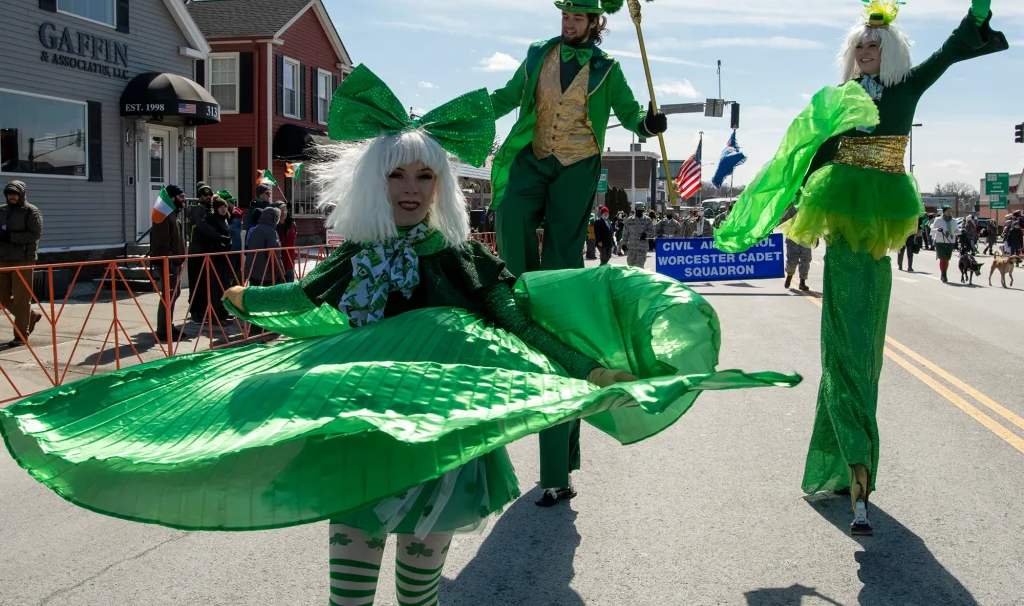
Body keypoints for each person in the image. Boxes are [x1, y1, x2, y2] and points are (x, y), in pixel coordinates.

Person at [0, 65, 800, 606]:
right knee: (349, 580)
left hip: (438, 445)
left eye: (426, 177)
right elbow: (303, 294)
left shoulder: (459, 257)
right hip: (355, 434)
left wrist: (585, 368)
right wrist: (244, 293)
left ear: (443, 187)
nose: (412, 189)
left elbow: (516, 316)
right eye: (397, 175)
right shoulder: (355, 255)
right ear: (373, 181)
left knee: (418, 584)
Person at [715, 0, 1007, 535]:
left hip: (882, 225)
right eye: (859, 47)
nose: (865, 53)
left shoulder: (904, 91)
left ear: (889, 52)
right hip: (844, 224)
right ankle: (856, 467)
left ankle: (848, 460)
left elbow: (947, 56)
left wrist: (974, 21)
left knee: (862, 349)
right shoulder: (839, 104)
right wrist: (779, 204)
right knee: (846, 344)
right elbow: (804, 156)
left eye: (874, 45)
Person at [488, 0, 667, 505]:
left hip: (576, 164)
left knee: (562, 261)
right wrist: (463, 117)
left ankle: (551, 287)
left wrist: (648, 122)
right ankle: (513, 284)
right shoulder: (538, 54)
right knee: (512, 209)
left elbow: (633, 113)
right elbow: (503, 98)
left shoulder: (609, 71)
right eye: (565, 15)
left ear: (595, 22)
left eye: (577, 17)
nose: (568, 23)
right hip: (533, 155)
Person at [0, 180, 43, 347]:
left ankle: (21, 335)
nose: (12, 196)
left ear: (21, 194)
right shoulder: (2, 211)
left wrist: (10, 237)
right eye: (9, 193)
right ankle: (30, 316)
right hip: (3, 258)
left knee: (21, 298)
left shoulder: (31, 211)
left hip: (23, 259)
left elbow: (34, 234)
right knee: (3, 297)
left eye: (15, 193)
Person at [150, 184, 190, 341]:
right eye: (181, 197)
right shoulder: (163, 215)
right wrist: (169, 262)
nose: (184, 200)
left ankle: (168, 325)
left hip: (175, 261)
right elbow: (162, 242)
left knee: (173, 294)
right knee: (169, 295)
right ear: (172, 197)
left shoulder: (172, 213)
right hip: (168, 262)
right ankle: (163, 330)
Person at [190, 195, 234, 324]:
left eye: (225, 207)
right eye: (221, 207)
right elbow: (209, 236)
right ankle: (214, 315)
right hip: (214, 257)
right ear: (216, 208)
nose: (223, 209)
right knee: (214, 287)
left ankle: (223, 312)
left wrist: (228, 242)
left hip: (224, 257)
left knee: (224, 285)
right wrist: (219, 242)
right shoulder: (212, 219)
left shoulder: (225, 220)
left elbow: (228, 234)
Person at [187, 185, 215, 323]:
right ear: (200, 197)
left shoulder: (209, 209)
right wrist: (218, 235)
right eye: (205, 195)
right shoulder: (198, 210)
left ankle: (204, 309)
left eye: (210, 194)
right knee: (197, 283)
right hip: (196, 252)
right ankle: (195, 311)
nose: (208, 197)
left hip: (206, 251)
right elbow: (203, 227)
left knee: (205, 283)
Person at [245, 206, 283, 286]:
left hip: (252, 273)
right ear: (275, 218)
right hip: (266, 274)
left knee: (256, 296)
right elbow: (274, 254)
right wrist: (281, 272)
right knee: (267, 297)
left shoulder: (255, 229)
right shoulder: (271, 232)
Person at [932, 205, 960, 283]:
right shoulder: (938, 220)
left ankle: (943, 272)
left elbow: (956, 230)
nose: (949, 212)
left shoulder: (953, 221)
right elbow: (933, 229)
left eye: (950, 211)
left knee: (947, 259)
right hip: (940, 241)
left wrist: (961, 231)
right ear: (944, 211)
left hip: (950, 241)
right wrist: (938, 229)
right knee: (942, 258)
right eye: (948, 211)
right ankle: (944, 275)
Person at [622, 203, 655, 268]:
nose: (640, 211)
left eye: (642, 209)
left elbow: (652, 231)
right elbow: (625, 233)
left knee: (639, 267)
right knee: (631, 266)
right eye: (639, 209)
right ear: (636, 209)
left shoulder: (647, 220)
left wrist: (646, 234)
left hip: (642, 248)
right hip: (631, 248)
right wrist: (623, 244)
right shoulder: (629, 220)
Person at [275, 202, 298, 282]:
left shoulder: (291, 224)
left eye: (285, 210)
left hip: (290, 261)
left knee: (290, 286)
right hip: (279, 262)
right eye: (281, 211)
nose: (284, 213)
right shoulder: (274, 226)